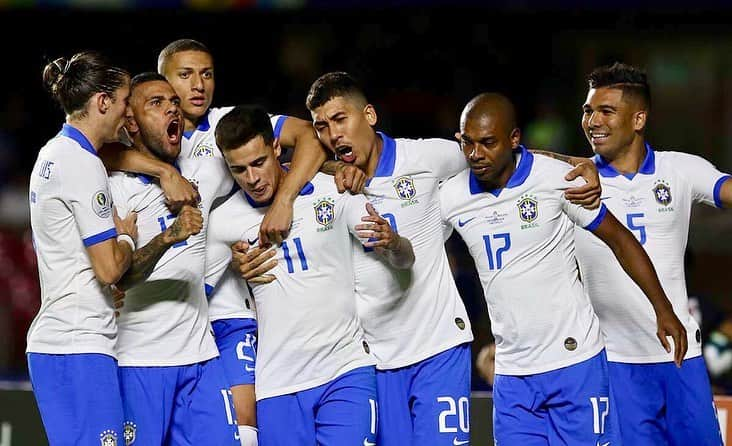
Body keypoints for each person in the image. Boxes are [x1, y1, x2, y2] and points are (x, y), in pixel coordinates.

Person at [303, 72, 603, 445]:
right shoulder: (323, 187)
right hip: (372, 359)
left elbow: (497, 151)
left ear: (369, 115)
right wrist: (328, 168)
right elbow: (282, 153)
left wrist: (573, 161)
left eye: (340, 119)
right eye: (321, 126)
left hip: (439, 347)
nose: (333, 134)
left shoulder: (428, 157)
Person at [440, 92, 687, 445]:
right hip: (512, 375)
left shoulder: (556, 179)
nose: (476, 155)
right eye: (468, 144)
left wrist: (664, 309)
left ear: (514, 139)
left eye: (488, 143)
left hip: (576, 365)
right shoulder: (450, 197)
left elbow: (620, 240)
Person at [210, 105, 414, 445]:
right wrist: (232, 269)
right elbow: (194, 294)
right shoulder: (224, 222)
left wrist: (393, 243)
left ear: (276, 147)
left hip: (345, 371)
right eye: (239, 170)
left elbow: (405, 260)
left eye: (258, 162)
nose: (252, 178)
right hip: (278, 385)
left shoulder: (333, 191)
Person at [574, 62, 731, 445]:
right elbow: (515, 158)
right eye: (588, 110)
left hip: (682, 359)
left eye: (606, 111)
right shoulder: (571, 182)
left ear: (639, 118)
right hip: (614, 363)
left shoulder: (679, 169)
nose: (593, 121)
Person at [108, 73, 238, 445]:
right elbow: (118, 277)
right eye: (157, 104)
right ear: (130, 122)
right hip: (138, 362)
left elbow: (269, 162)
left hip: (202, 359)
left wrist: (339, 169)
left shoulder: (203, 170)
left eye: (173, 102)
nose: (171, 109)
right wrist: (170, 236)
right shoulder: (115, 190)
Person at [28, 51, 137, 445]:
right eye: (125, 101)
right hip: (79, 345)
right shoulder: (82, 163)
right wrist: (126, 237)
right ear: (102, 101)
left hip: (58, 344)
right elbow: (108, 268)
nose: (129, 113)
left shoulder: (50, 154)